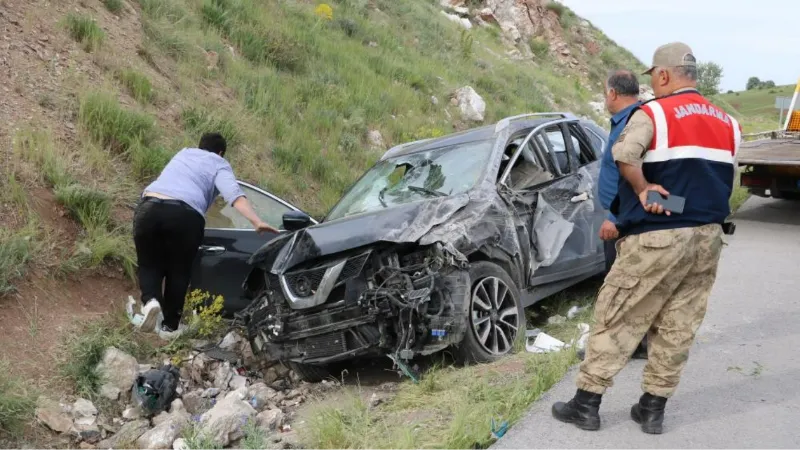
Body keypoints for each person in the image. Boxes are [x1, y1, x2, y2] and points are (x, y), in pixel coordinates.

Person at [552, 42, 741, 434]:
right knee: (678, 324)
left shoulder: (654, 112)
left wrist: (643, 190)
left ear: (665, 74)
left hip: (659, 235)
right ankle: (653, 409)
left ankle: (586, 403)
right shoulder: (728, 121)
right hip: (707, 238)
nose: (652, 82)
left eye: (653, 74)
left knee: (617, 312)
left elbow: (625, 155)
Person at [132, 133, 278, 340]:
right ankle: (170, 327)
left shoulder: (183, 154)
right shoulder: (219, 163)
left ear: (199, 146)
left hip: (149, 207)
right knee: (179, 271)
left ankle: (150, 302)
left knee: (148, 263)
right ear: (220, 153)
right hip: (185, 214)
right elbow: (234, 195)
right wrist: (256, 221)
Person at [597, 69, 648, 360]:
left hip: (625, 217)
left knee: (619, 283)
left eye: (606, 93)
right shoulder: (629, 120)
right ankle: (636, 343)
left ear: (613, 93)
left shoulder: (632, 123)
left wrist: (614, 217)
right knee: (630, 282)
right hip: (627, 214)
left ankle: (620, 347)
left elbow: (630, 171)